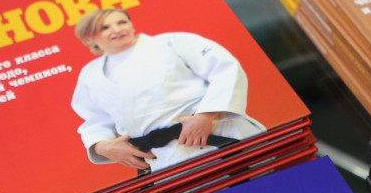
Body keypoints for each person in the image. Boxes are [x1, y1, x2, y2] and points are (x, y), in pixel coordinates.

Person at [70, 9, 267, 174]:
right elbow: (95, 120)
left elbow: (225, 70)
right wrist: (101, 146)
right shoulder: (90, 75)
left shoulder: (172, 42)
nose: (117, 29)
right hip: (163, 159)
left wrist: (206, 115)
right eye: (105, 27)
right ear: (89, 37)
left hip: (217, 136)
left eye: (122, 22)